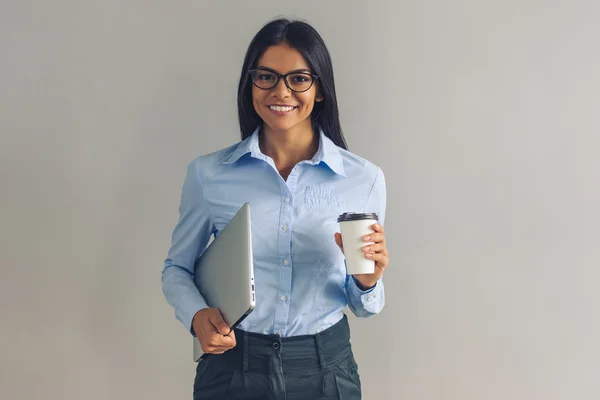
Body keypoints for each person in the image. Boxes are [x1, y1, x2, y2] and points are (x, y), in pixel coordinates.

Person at [162, 18, 390, 400]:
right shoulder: (209, 175)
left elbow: (365, 305)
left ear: (319, 90)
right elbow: (177, 269)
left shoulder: (362, 179)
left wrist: (368, 282)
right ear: (251, 84)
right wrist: (197, 317)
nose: (281, 91)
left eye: (298, 78)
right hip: (233, 367)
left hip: (325, 370)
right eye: (266, 76)